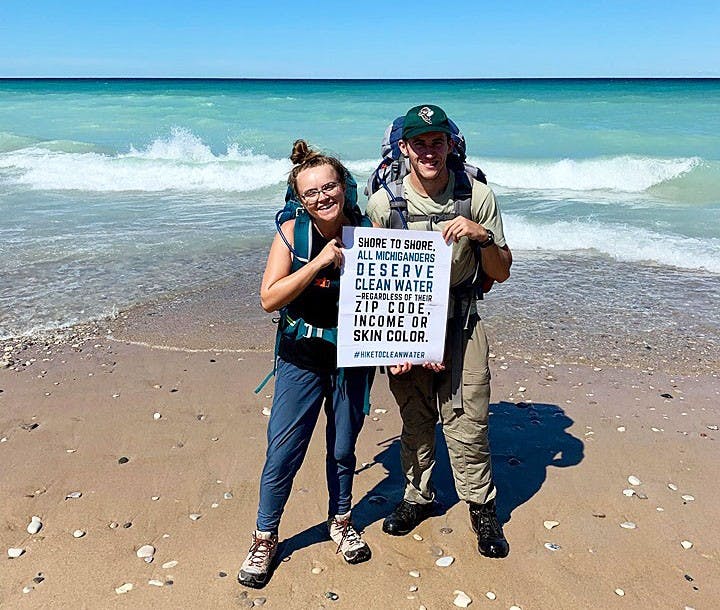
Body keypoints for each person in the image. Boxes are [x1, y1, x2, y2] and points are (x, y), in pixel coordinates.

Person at [366, 105, 513, 558]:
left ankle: (481, 507)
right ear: (404, 148)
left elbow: (503, 271)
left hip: (462, 320)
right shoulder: (382, 204)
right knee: (415, 418)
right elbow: (371, 279)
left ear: (450, 144)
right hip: (403, 321)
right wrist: (387, 347)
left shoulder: (478, 196)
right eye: (420, 143)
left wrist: (481, 235)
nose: (430, 151)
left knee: (468, 421)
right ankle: (418, 498)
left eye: (438, 142)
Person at [239, 140, 375, 588]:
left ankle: (341, 520)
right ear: (300, 198)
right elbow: (267, 298)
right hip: (300, 356)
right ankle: (265, 536)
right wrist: (317, 261)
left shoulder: (368, 229)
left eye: (329, 187)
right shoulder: (291, 233)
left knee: (342, 447)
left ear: (343, 186)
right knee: (284, 451)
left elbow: (392, 298)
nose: (322, 197)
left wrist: (402, 352)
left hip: (353, 357)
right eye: (311, 192)